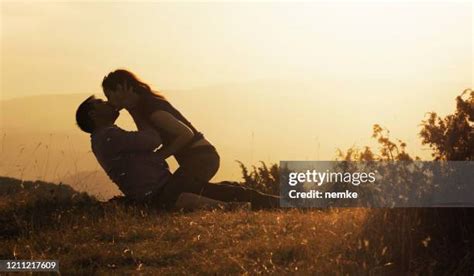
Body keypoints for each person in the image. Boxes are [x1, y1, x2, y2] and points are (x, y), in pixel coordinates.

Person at [75, 96, 280, 210]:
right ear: (93, 114)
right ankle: (284, 204)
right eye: (101, 102)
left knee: (231, 189)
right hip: (161, 192)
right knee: (231, 192)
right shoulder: (108, 138)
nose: (108, 103)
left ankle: (283, 203)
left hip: (164, 188)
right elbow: (152, 139)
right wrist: (134, 109)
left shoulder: (107, 137)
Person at [101, 69, 220, 205]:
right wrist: (131, 108)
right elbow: (148, 137)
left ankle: (243, 197)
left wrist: (160, 156)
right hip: (198, 157)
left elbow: (186, 134)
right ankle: (241, 195)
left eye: (109, 95)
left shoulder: (151, 108)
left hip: (202, 158)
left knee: (173, 194)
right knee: (190, 190)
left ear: (120, 88)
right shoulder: (142, 107)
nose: (109, 101)